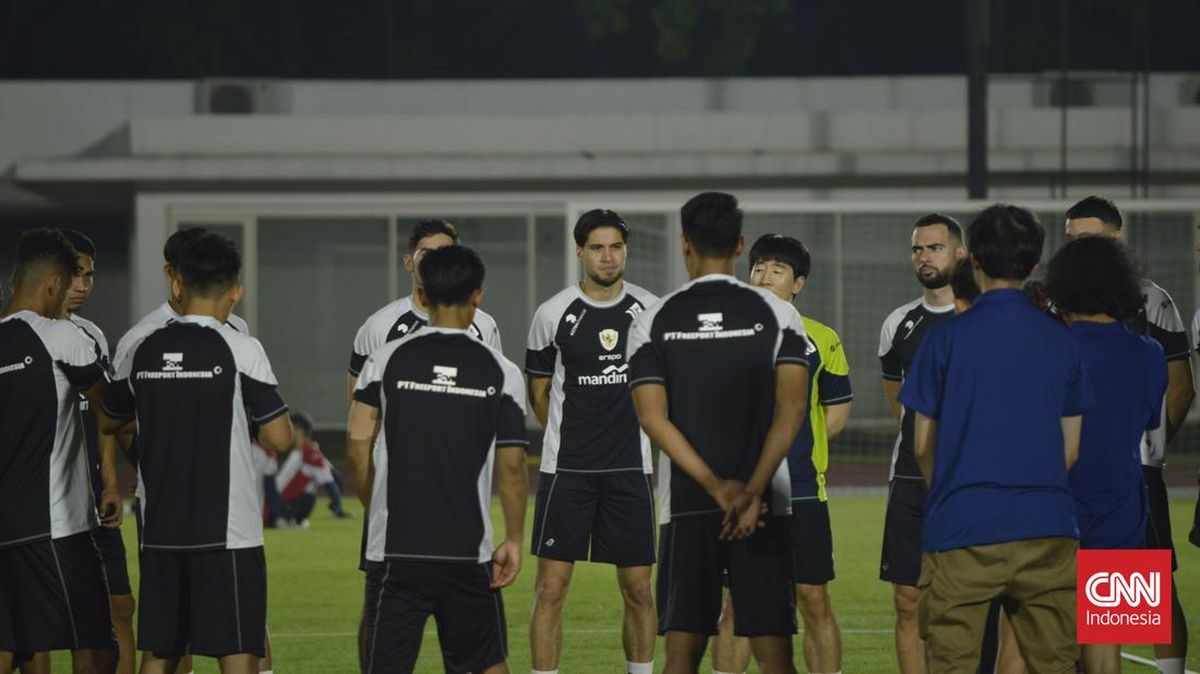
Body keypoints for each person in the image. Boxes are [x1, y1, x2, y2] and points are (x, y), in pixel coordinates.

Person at [900, 204, 1090, 671]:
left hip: (962, 526)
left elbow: (922, 445)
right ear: (1032, 265)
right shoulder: (1063, 340)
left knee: (952, 663)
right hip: (1047, 528)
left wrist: (949, 492)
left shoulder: (944, 340)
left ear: (974, 262)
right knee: (1055, 663)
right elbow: (1071, 449)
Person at [628, 192, 810, 674]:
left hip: (687, 503)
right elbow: (792, 409)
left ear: (685, 243)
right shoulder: (779, 315)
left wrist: (715, 488)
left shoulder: (653, 320)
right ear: (739, 245)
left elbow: (652, 419)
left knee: (683, 652)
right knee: (775, 653)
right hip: (765, 504)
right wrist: (750, 490)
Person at [101, 232, 293, 674]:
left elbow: (110, 418)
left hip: (162, 525)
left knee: (163, 650)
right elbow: (280, 439)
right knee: (238, 648)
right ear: (236, 290)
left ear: (177, 283)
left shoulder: (145, 346)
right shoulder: (241, 347)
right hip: (229, 529)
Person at [347, 245, 529, 674]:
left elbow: (357, 445)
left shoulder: (384, 360)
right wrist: (515, 540)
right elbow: (513, 467)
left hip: (399, 551)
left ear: (423, 295)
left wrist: (379, 508)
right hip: (467, 550)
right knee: (486, 664)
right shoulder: (501, 372)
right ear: (478, 295)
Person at [525, 210, 658, 674]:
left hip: (630, 468)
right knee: (551, 589)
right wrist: (567, 434)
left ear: (626, 251)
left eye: (616, 247)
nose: (608, 256)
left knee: (640, 590)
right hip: (568, 470)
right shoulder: (552, 313)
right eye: (598, 247)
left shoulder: (651, 310)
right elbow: (538, 391)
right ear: (579, 250)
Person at [712, 234, 851, 674]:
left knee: (813, 598)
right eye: (758, 267)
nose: (764, 276)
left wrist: (789, 450)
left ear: (798, 284)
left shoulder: (822, 339)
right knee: (737, 604)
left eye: (777, 270)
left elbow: (837, 413)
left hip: (805, 489)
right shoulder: (724, 331)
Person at [1064, 195, 1192, 673]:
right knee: (1098, 618)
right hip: (1098, 480)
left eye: (1089, 239)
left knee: (1139, 595)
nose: (1078, 248)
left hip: (1122, 475)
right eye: (1072, 239)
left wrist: (1150, 451)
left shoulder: (1151, 301)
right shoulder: (1061, 306)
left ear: (1116, 239)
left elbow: (1180, 392)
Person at [1044, 235, 1167, 674]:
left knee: (1040, 641)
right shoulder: (1150, 355)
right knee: (1106, 643)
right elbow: (1152, 420)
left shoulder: (1050, 349)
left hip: (1052, 510)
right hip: (1123, 508)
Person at [0, 229, 119, 674]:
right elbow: (113, 410)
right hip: (56, 524)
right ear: (52, 284)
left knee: (12, 643)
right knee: (95, 644)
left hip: (7, 527)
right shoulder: (59, 335)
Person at [29, 230, 135, 674]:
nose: (83, 285)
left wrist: (109, 480)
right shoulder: (22, 335)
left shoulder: (91, 335)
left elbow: (102, 416)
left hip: (90, 498)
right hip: (37, 503)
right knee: (37, 624)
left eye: (90, 275)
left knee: (119, 607)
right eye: (75, 274)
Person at [877, 213, 965, 673]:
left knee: (968, 599)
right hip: (912, 477)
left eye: (935, 247)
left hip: (971, 479)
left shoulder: (979, 318)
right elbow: (899, 400)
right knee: (908, 598)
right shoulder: (900, 323)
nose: (924, 256)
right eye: (918, 249)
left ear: (960, 253)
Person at [271, 412, 351, 525]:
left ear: (299, 430)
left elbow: (330, 482)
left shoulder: (307, 454)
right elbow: (335, 478)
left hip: (284, 507)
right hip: (279, 506)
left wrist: (337, 507)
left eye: (290, 428)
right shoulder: (306, 452)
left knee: (309, 490)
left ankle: (288, 518)